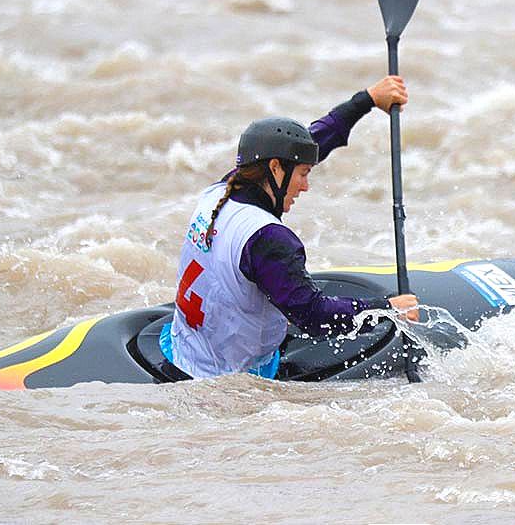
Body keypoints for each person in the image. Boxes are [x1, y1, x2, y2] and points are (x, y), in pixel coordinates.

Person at [168, 76, 419, 379]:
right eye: (303, 174)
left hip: (183, 349)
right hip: (230, 375)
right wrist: (387, 308)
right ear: (275, 168)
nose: (306, 186)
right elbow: (312, 315)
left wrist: (365, 100)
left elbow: (312, 142)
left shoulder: (222, 190)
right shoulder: (268, 239)